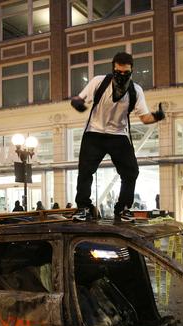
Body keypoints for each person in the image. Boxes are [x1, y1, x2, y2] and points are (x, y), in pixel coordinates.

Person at [70, 52, 165, 222]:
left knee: (131, 172)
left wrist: (157, 116)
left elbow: (144, 118)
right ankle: (83, 207)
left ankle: (123, 208)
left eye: (125, 73)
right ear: (113, 69)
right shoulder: (99, 82)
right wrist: (76, 102)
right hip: (94, 133)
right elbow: (80, 98)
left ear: (131, 71)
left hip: (119, 135)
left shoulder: (135, 90)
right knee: (85, 171)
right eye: (118, 72)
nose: (121, 76)